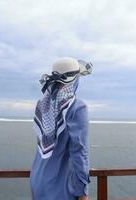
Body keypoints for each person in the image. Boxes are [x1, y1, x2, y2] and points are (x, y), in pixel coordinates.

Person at [30, 57, 92, 200]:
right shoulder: (77, 108)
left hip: (37, 179)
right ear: (75, 80)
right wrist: (83, 191)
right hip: (59, 185)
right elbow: (80, 151)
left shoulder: (43, 105)